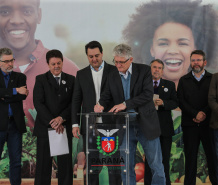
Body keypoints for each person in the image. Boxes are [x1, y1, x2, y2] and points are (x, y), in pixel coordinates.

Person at [0, 0, 79, 128]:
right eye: (4, 11)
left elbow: (83, 125)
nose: (16, 20)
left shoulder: (69, 71)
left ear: (39, 15)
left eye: (27, 11)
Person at [94, 44, 165, 185]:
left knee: (156, 165)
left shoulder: (144, 70)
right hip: (124, 126)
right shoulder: (112, 74)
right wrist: (100, 104)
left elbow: (147, 95)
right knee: (126, 167)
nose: (118, 65)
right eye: (116, 61)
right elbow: (106, 94)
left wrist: (125, 104)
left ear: (130, 59)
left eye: (121, 62)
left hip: (145, 124)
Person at [123, 0, 218, 88]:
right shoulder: (137, 89)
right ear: (152, 49)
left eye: (182, 43)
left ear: (196, 49)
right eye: (163, 43)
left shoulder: (211, 88)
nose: (172, 51)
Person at [71, 41, 120, 185]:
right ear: (87, 56)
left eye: (97, 55)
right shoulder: (81, 74)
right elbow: (76, 101)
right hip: (90, 124)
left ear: (102, 53)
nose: (94, 59)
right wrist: (75, 123)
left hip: (111, 124)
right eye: (90, 56)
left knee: (113, 161)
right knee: (92, 163)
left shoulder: (114, 71)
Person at [33, 49, 75, 185]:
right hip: (46, 128)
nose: (56, 66)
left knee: (65, 166)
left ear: (62, 62)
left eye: (59, 63)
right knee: (43, 166)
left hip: (63, 127)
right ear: (48, 64)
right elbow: (38, 103)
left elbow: (74, 103)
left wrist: (61, 118)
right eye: (53, 64)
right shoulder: (40, 79)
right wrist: (53, 122)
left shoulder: (71, 79)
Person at [177, 50, 217, 185]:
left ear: (204, 62)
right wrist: (195, 114)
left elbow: (214, 99)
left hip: (209, 125)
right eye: (193, 60)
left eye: (198, 60)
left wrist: (203, 114)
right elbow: (181, 101)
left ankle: (216, 182)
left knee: (212, 157)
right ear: (190, 62)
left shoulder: (213, 79)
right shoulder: (183, 80)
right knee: (190, 158)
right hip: (190, 125)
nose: (196, 63)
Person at [144, 59, 177, 185]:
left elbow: (175, 102)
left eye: (159, 68)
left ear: (162, 71)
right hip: (148, 128)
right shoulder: (144, 84)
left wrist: (164, 103)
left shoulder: (169, 85)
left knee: (165, 159)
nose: (156, 70)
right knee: (149, 160)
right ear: (150, 69)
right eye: (154, 67)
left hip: (165, 129)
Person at [0, 47, 28, 185]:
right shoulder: (17, 83)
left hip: (15, 124)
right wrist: (15, 90)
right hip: (0, 124)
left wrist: (4, 95)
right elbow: (19, 93)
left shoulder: (20, 76)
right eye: (6, 61)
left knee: (16, 161)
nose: (10, 64)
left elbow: (23, 96)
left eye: (11, 60)